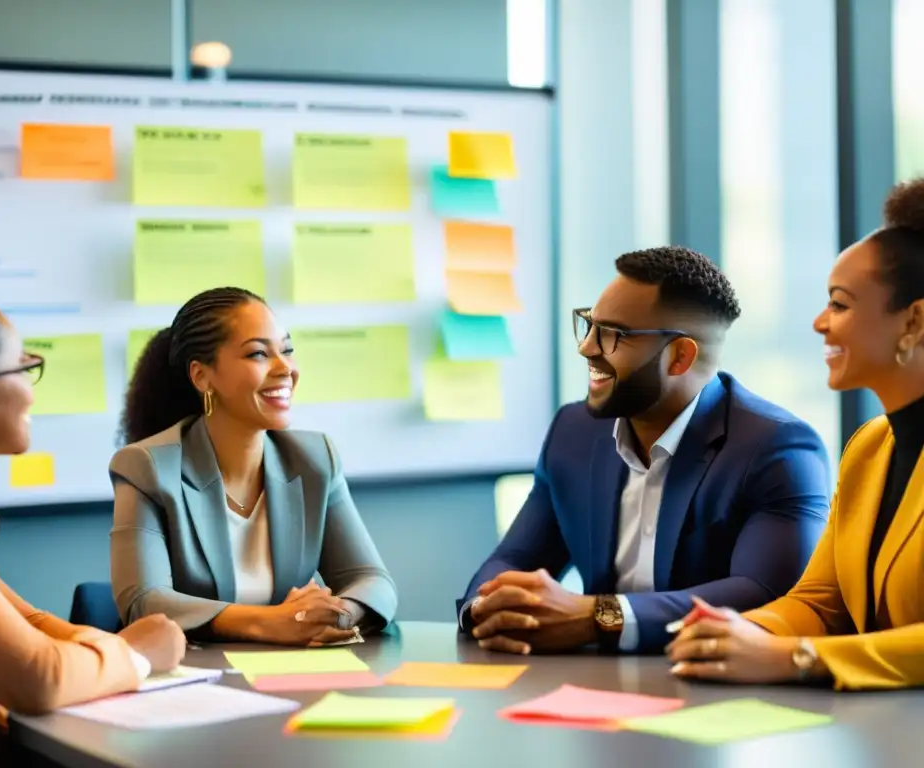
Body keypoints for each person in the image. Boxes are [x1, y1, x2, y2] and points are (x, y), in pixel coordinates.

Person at [458, 246, 832, 655]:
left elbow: (763, 593)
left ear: (679, 357)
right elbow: (515, 557)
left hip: (717, 686)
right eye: (589, 325)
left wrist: (599, 617)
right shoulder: (575, 431)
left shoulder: (778, 448)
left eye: (613, 335)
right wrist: (487, 607)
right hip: (595, 689)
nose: (587, 348)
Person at [0, 284, 185, 768]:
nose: (31, 390)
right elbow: (36, 677)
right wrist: (135, 657)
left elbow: (25, 623)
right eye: (24, 368)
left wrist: (106, 646)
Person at [667, 178, 924, 690]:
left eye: (840, 304)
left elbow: (810, 644)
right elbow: (819, 600)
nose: (819, 323)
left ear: (913, 321)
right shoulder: (871, 447)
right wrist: (741, 632)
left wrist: (795, 657)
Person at [110, 287, 398, 647]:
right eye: (259, 353)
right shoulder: (147, 467)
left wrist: (333, 614)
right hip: (192, 681)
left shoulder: (314, 459)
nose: (285, 369)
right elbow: (144, 602)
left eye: (287, 350)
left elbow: (373, 580)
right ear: (202, 377)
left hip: (293, 674)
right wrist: (269, 622)